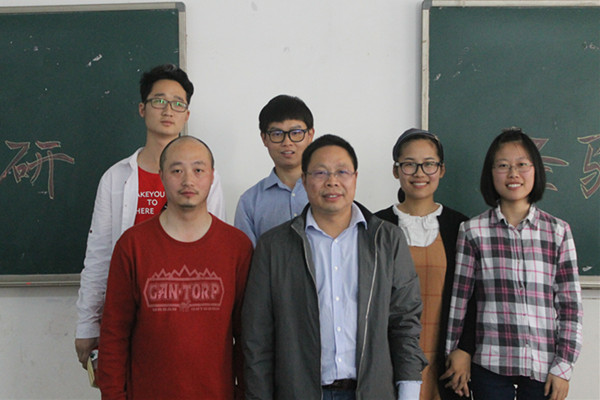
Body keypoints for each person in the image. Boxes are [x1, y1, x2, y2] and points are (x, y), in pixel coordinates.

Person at [242, 134, 427, 400]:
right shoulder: (275, 246)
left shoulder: (386, 239)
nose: (332, 181)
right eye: (320, 172)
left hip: (371, 392)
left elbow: (405, 323)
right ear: (304, 180)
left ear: (355, 178)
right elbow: (257, 336)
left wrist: (408, 394)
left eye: (342, 171)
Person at [75, 64, 226, 369]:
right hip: (127, 314)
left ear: (187, 114)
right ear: (142, 109)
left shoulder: (207, 179)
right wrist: (87, 324)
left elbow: (214, 253)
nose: (168, 110)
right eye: (159, 101)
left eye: (177, 103)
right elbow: (99, 256)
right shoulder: (116, 178)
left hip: (187, 315)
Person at [97, 136, 252, 399]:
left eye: (198, 170)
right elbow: (114, 333)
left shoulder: (237, 247)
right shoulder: (133, 245)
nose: (188, 180)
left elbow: (247, 336)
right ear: (161, 176)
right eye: (177, 170)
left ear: (212, 176)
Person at [445, 128, 583, 400]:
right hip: (489, 365)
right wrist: (454, 353)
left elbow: (570, 307)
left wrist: (564, 367)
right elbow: (461, 300)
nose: (513, 174)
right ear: (490, 173)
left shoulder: (557, 231)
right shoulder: (472, 231)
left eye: (522, 165)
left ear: (536, 170)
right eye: (503, 165)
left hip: (543, 367)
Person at [375, 128, 476, 400]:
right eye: (409, 164)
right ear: (396, 170)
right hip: (388, 359)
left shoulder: (461, 227)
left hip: (447, 363)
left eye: (429, 164)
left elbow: (475, 296)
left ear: (441, 170)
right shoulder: (376, 227)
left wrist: (465, 350)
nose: (419, 173)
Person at [234, 94, 314, 246]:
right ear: (264, 138)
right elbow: (246, 256)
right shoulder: (250, 202)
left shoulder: (327, 190)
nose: (287, 142)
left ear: (310, 135)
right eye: (277, 134)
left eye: (296, 133)